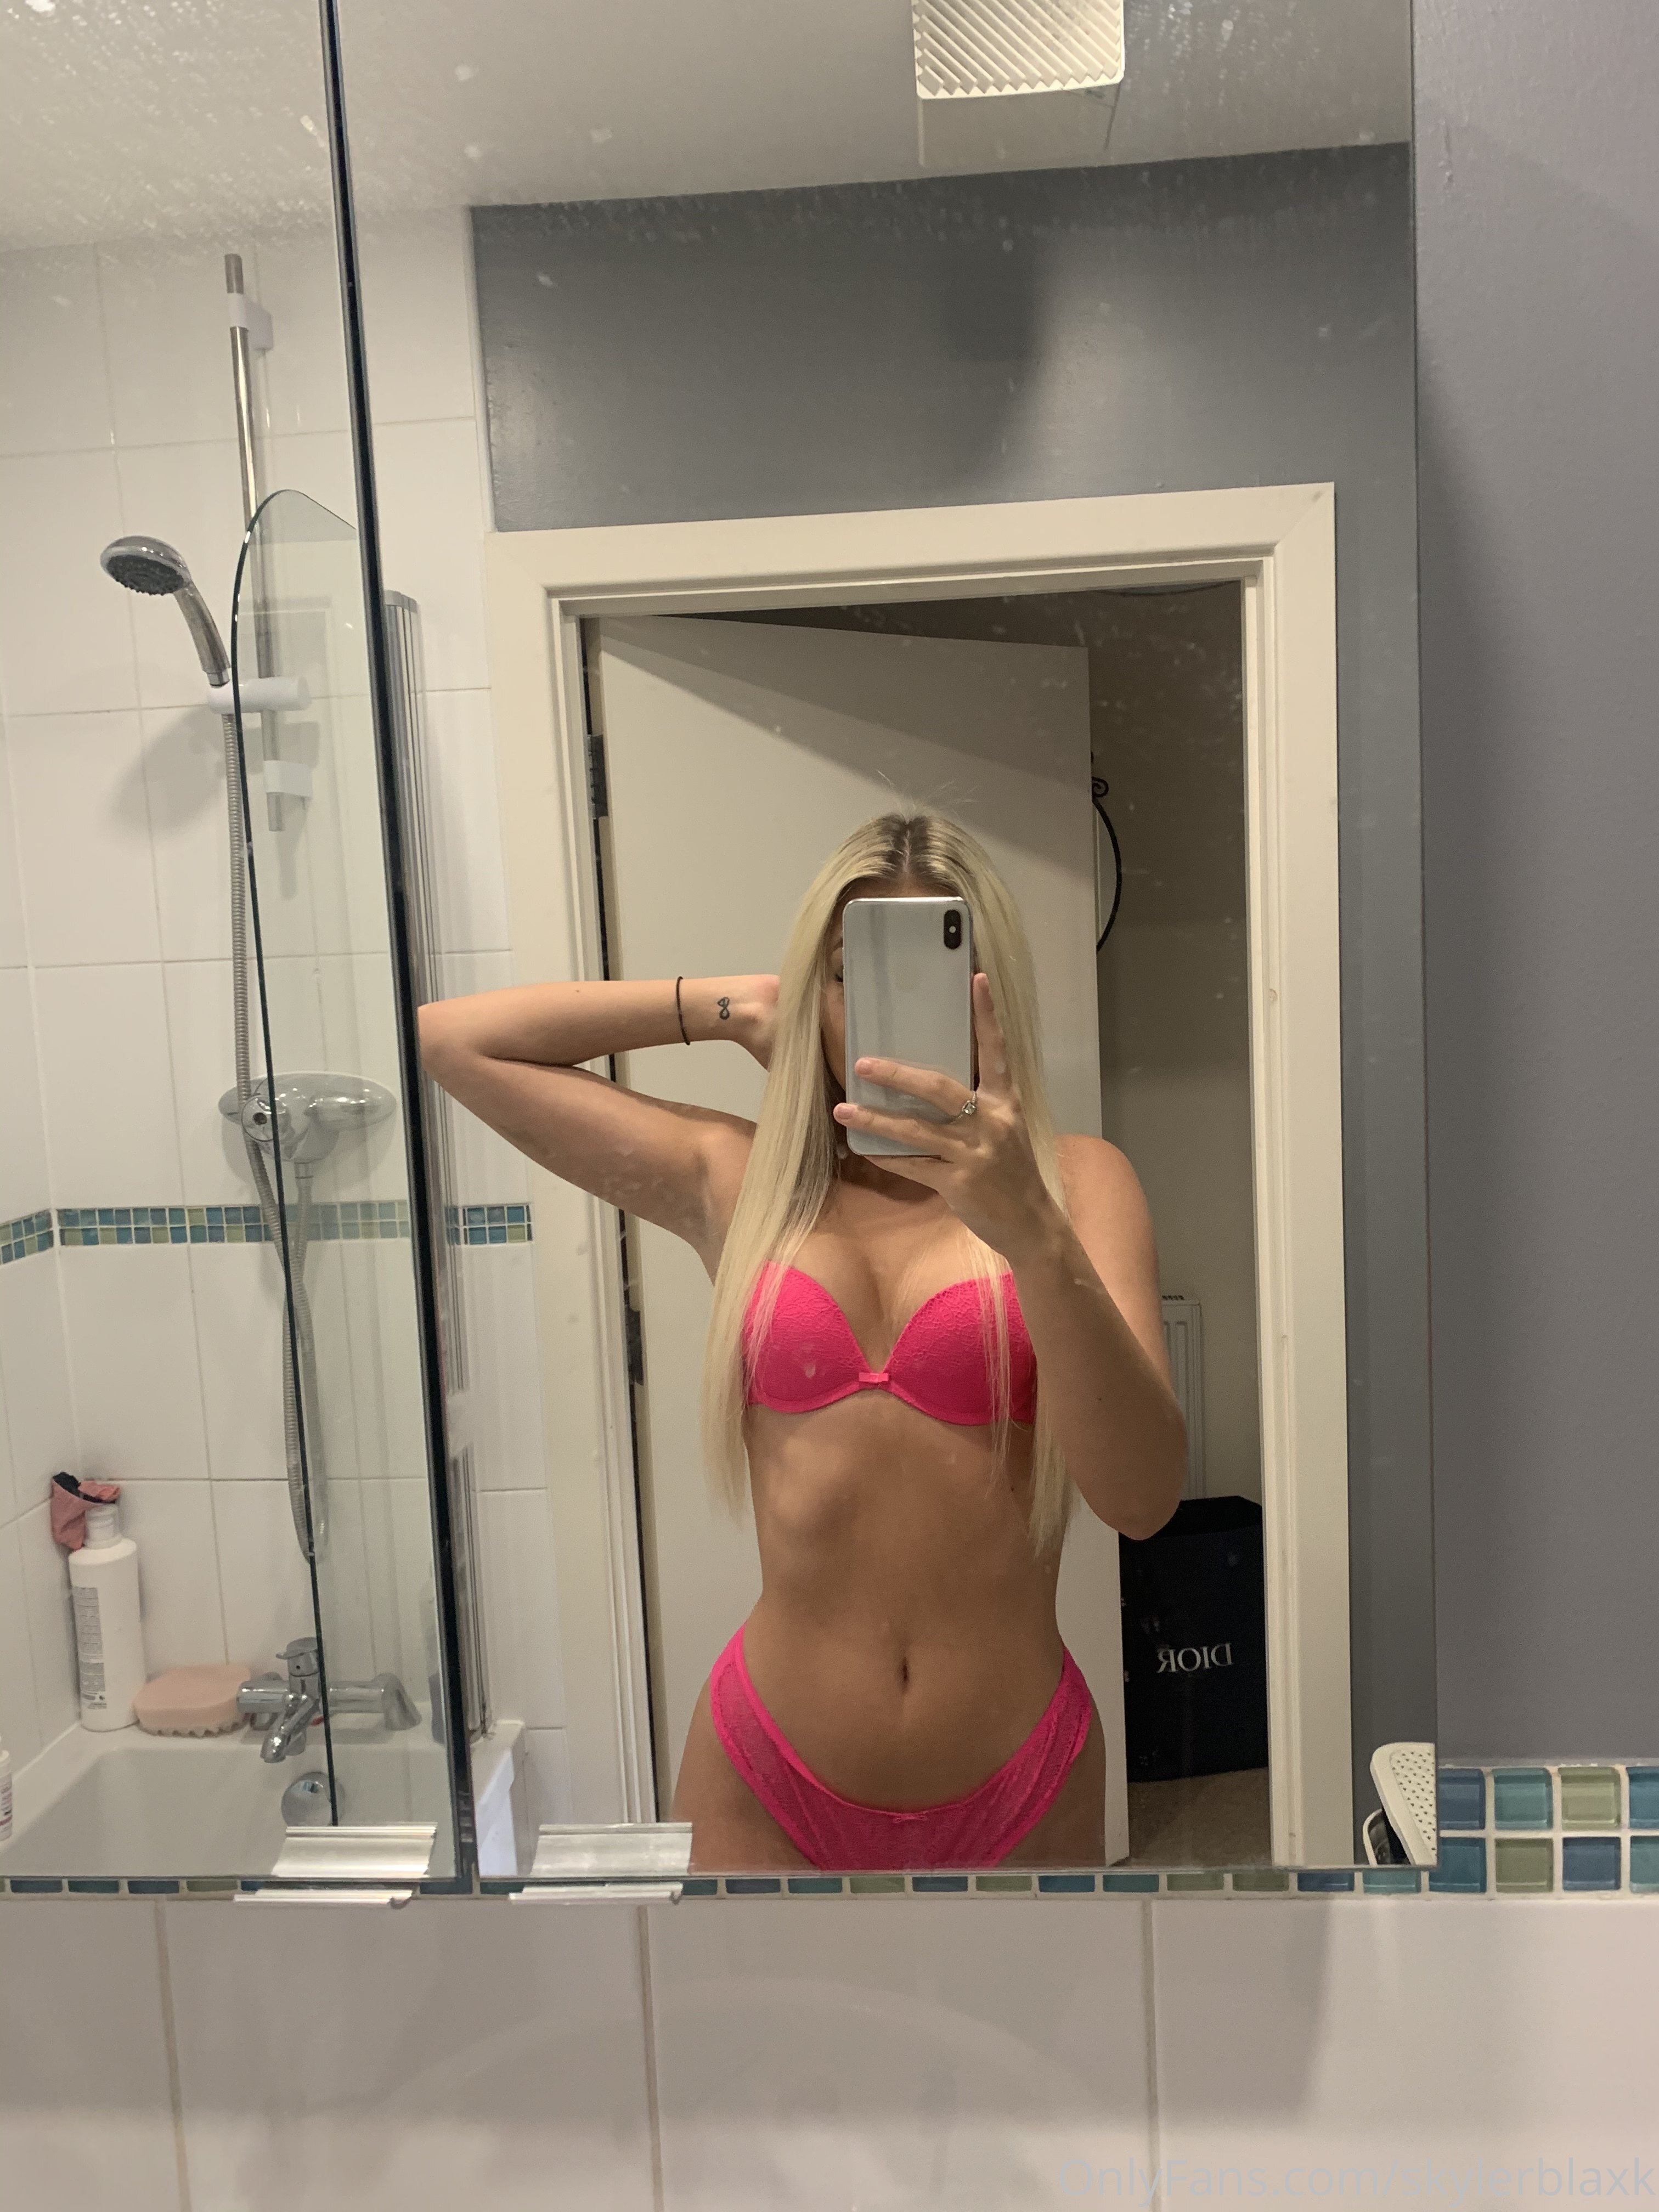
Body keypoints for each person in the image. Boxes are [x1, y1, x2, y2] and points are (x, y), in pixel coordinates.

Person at [419, 811, 1184, 1869]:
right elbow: (453, 1041)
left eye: (932, 968)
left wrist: (1033, 1234)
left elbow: (1142, 1500)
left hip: (1021, 1775)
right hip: (766, 1775)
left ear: (991, 990)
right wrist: (731, 1006)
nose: (880, 1010)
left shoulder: (1080, 1185)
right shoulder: (739, 1182)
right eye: (848, 975)